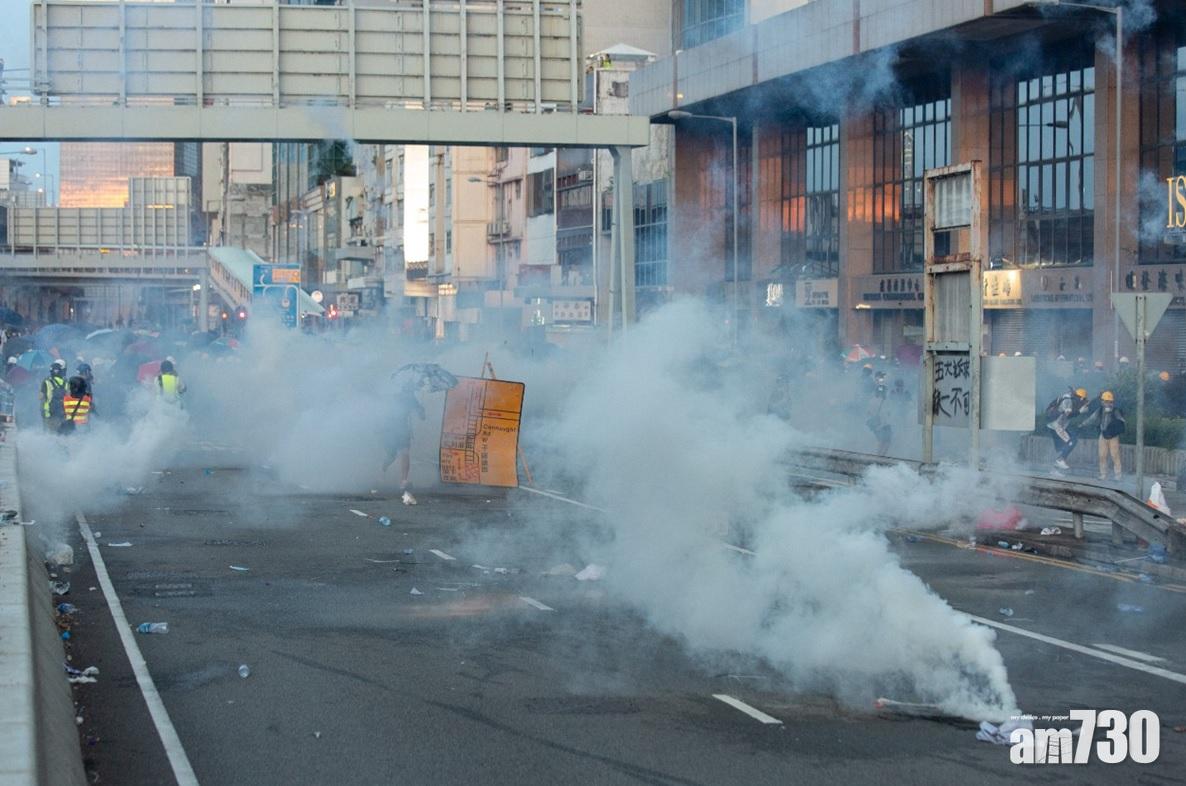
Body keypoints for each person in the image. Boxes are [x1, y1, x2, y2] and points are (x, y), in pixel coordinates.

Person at [382, 380, 425, 505]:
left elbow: (422, 417)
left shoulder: (413, 399)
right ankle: (384, 468)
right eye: (408, 389)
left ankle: (403, 481)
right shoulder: (395, 398)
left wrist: (421, 409)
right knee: (391, 455)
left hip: (403, 430)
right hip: (390, 429)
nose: (410, 392)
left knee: (405, 452)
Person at [1080, 390, 1125, 481]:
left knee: (1115, 456)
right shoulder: (1100, 410)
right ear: (1103, 402)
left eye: (1110, 402)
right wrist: (1082, 424)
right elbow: (1091, 419)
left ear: (1112, 402)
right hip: (1103, 435)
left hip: (1113, 437)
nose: (1107, 404)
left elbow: (1122, 422)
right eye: (1106, 402)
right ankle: (1103, 475)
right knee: (1102, 456)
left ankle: (1118, 476)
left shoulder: (1116, 411)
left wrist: (1115, 424)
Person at [1045, 387, 1088, 473]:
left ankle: (1054, 470)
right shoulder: (1069, 402)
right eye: (1083, 401)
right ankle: (1060, 460)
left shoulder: (1071, 401)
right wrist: (1079, 412)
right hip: (1057, 426)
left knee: (1063, 448)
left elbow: (1067, 414)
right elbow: (1067, 415)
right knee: (1072, 441)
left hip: (1056, 426)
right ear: (1081, 398)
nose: (1083, 403)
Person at [866, 371, 893, 456]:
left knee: (881, 441)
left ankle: (878, 456)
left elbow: (868, 412)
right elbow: (887, 413)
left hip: (876, 424)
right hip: (883, 424)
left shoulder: (872, 400)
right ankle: (880, 457)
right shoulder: (885, 401)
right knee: (886, 441)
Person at [39, 359, 67, 431]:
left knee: (49, 433)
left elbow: (41, 397)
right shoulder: (66, 382)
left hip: (49, 412)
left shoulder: (46, 381)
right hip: (63, 412)